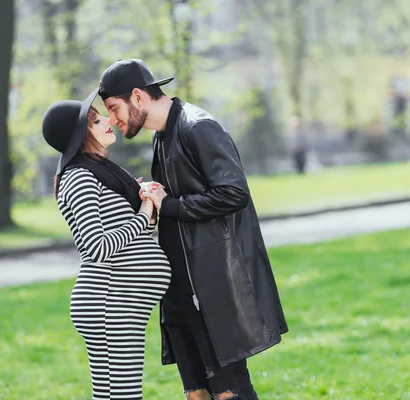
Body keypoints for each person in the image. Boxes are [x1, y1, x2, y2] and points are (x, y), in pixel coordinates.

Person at [97, 59, 288, 400]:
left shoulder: (198, 126)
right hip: (180, 294)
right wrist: (153, 205)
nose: (112, 120)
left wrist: (169, 204)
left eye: (113, 108)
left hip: (213, 289)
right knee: (196, 394)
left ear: (138, 97)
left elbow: (234, 193)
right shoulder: (161, 136)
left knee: (230, 392)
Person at [41, 88, 171, 400]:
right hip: (110, 302)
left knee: (112, 396)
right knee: (123, 396)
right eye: (95, 121)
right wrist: (143, 213)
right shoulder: (80, 178)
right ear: (79, 134)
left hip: (120, 302)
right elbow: (97, 246)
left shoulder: (98, 172)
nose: (106, 122)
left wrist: (143, 208)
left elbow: (125, 234)